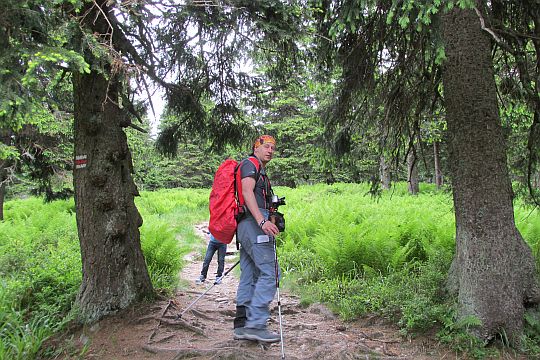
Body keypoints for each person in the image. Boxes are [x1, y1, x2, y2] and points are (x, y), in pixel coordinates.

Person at [233, 135, 281, 343]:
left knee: (250, 274)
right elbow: (246, 191)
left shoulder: (259, 170)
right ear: (256, 148)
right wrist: (262, 221)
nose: (270, 150)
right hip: (253, 224)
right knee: (270, 273)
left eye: (273, 148)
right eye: (266, 147)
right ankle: (257, 324)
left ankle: (242, 325)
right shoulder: (250, 163)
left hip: (245, 224)